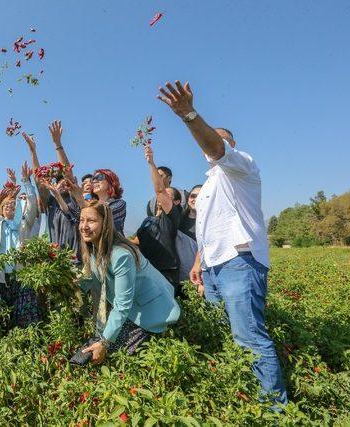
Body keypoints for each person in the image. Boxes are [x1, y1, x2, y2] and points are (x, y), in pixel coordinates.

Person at [158, 80, 287, 405]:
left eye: (216, 139)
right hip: (214, 268)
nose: (209, 145)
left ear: (229, 144)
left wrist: (188, 114)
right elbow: (210, 228)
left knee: (249, 339)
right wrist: (201, 262)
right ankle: (241, 397)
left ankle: (274, 410)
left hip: (239, 263)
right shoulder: (211, 182)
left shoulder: (241, 165)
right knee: (224, 336)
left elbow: (217, 148)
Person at [78, 201, 180, 364]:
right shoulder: (94, 250)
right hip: (129, 307)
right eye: (81, 220)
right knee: (100, 352)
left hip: (149, 310)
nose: (84, 226)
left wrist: (104, 342)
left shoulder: (120, 255)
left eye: (91, 220)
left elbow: (123, 304)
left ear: (105, 224)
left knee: (117, 357)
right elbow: (87, 281)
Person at [0, 162, 41, 328]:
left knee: (24, 316)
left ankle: (25, 342)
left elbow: (33, 205)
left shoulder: (24, 223)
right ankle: (1, 344)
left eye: (14, 205)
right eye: (6, 205)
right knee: (0, 316)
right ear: (1, 208)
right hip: (0, 276)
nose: (10, 207)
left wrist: (27, 182)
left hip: (21, 274)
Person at [22, 121, 82, 259]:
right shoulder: (51, 203)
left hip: (76, 261)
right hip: (56, 262)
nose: (60, 183)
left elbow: (67, 172)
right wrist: (33, 151)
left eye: (63, 180)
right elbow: (39, 181)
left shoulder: (76, 201)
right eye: (57, 180)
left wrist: (57, 144)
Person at [135, 145, 183, 296]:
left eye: (169, 196)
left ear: (175, 203)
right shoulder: (147, 220)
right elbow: (136, 241)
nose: (162, 197)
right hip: (145, 270)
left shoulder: (171, 217)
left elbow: (160, 189)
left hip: (165, 271)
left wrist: (151, 163)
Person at [90, 169, 127, 235]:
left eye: (100, 177)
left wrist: (79, 198)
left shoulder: (120, 204)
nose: (95, 181)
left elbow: (103, 215)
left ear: (111, 181)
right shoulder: (91, 205)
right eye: (93, 179)